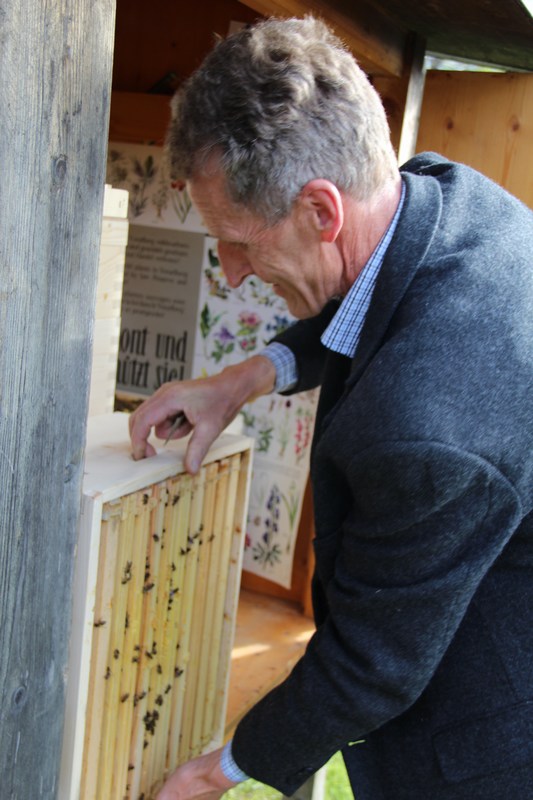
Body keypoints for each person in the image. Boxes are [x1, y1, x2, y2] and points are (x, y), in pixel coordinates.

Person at [128, 15, 533, 800]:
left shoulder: (424, 425)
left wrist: (217, 771)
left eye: (239, 241)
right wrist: (243, 378)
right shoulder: (443, 199)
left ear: (321, 210)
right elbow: (371, 301)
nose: (233, 272)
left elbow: (370, 665)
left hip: (485, 749)